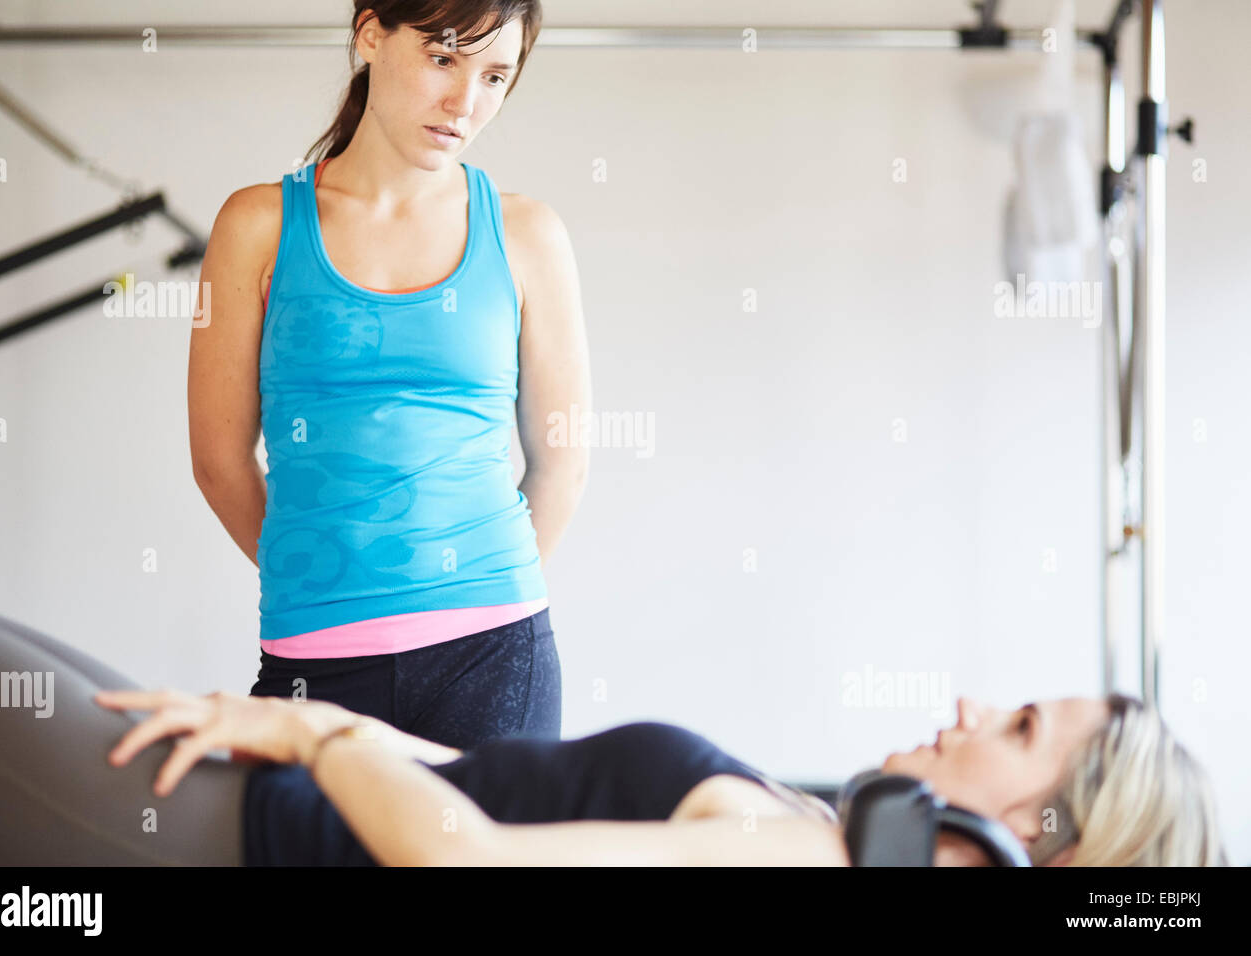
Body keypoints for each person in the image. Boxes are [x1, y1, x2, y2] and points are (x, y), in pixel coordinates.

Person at [187, 0, 590, 748]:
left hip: (496, 651)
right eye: (443, 58)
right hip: (316, 662)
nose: (465, 103)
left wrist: (474, 587)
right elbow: (217, 461)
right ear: (371, 34)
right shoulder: (256, 225)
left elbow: (562, 461)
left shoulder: (529, 233)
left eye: (495, 75)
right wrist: (329, 573)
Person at [92, 686, 1227, 867]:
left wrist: (308, 741)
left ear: (1043, 835)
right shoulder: (817, 825)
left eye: (1020, 724)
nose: (973, 704)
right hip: (243, 791)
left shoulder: (802, 857)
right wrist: (311, 718)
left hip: (231, 837)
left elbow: (460, 853)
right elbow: (485, 783)